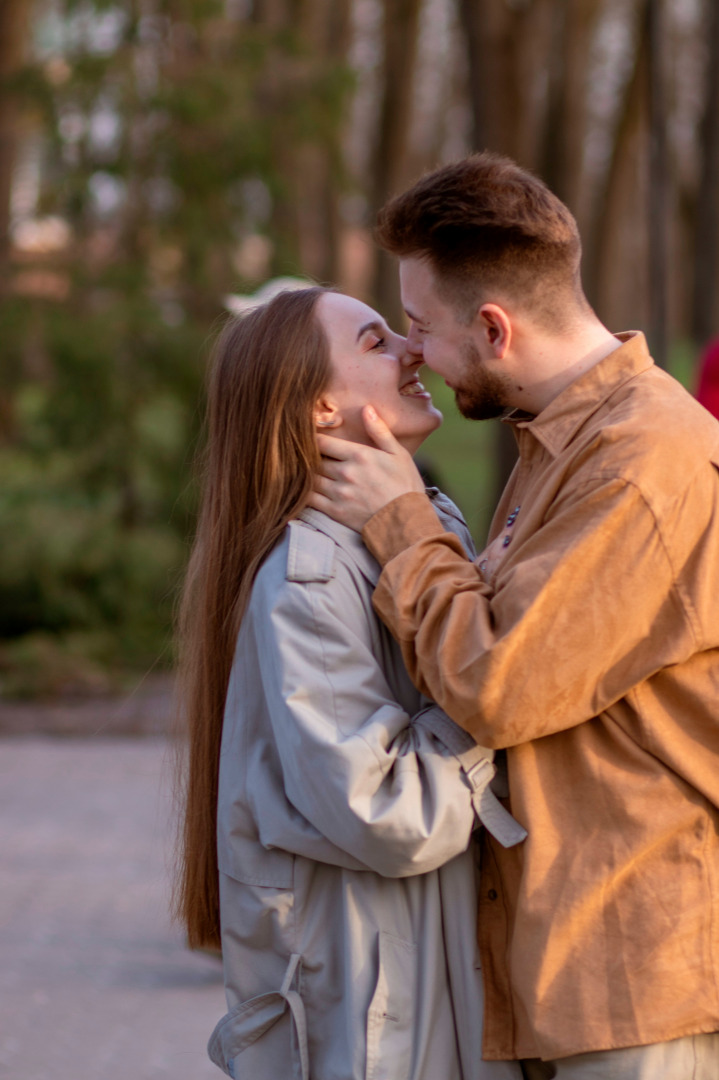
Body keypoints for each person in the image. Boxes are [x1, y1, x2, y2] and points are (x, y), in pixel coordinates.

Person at [310, 154, 719, 1079]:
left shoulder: (640, 464)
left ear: (492, 329)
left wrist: (399, 519)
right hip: (569, 972)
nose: (411, 351)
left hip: (637, 983)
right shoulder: (559, 442)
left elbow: (499, 687)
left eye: (418, 326)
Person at [174, 285, 525, 1080]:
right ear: (318, 412)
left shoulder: (413, 525)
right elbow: (383, 811)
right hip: (380, 1031)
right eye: (374, 342)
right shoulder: (311, 575)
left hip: (427, 997)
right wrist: (505, 696)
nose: (412, 348)